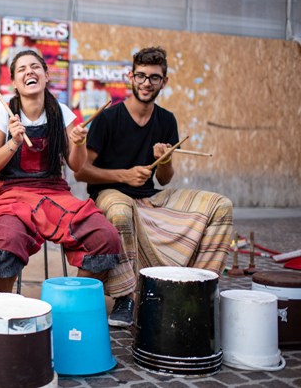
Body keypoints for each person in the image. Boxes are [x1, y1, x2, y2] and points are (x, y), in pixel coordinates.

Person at [75, 46, 233, 325]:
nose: (147, 83)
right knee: (121, 210)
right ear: (130, 77)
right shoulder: (108, 118)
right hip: (110, 194)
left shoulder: (166, 120)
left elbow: (165, 179)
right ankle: (125, 297)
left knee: (220, 205)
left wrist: (164, 160)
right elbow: (81, 172)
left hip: (149, 196)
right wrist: (123, 176)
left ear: (164, 82)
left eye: (154, 78)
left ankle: (198, 288)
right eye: (141, 76)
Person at [0, 50, 132, 325]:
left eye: (36, 67)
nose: (30, 72)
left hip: (54, 193)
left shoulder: (61, 112)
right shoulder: (1, 113)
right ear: (14, 82)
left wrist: (79, 142)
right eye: (22, 69)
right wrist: (13, 142)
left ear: (46, 75)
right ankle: (7, 306)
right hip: (12, 194)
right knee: (4, 241)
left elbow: (76, 165)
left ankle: (69, 306)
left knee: (104, 236)